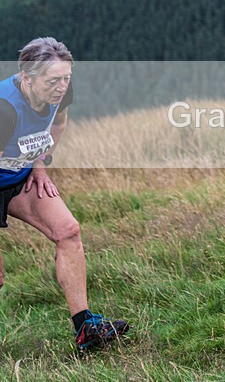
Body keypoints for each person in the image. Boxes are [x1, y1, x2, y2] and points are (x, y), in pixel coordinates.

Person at [0, 37, 129, 350]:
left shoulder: (60, 89)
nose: (60, 87)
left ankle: (86, 329)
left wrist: (40, 164)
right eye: (52, 81)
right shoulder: (5, 109)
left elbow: (57, 122)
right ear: (26, 78)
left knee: (68, 231)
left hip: (16, 176)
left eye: (66, 79)